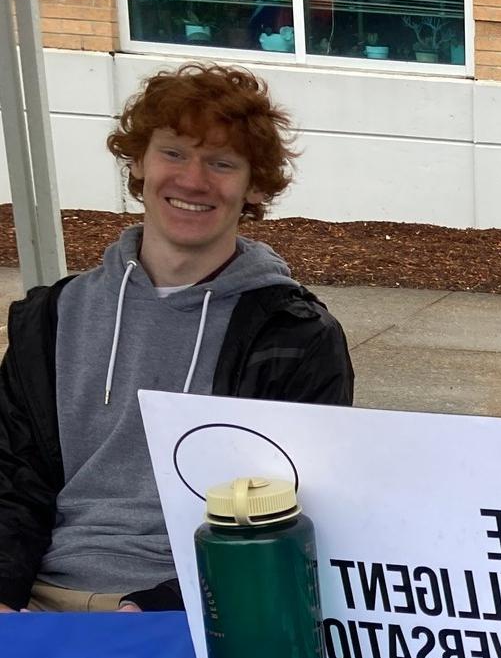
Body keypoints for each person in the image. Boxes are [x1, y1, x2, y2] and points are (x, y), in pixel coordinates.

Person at [0, 62, 352, 614]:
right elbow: (12, 477)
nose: (192, 179)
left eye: (221, 163)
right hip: (35, 597)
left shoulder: (295, 336)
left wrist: (159, 605)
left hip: (199, 606)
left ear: (254, 184)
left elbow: (301, 511)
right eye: (173, 153)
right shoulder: (52, 316)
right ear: (138, 162)